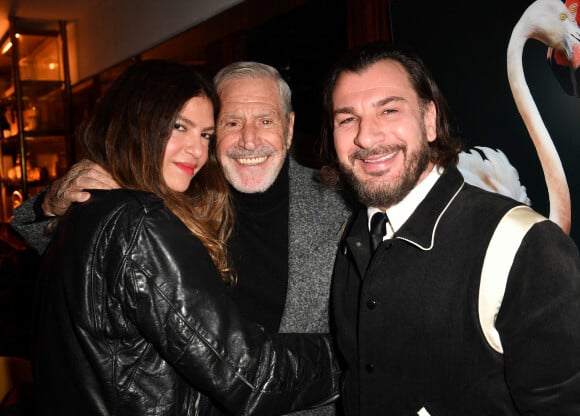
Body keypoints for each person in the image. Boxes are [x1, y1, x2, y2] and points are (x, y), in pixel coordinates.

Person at [11, 62, 350, 416]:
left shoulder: (341, 202)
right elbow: (85, 266)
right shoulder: (171, 199)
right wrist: (52, 204)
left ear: (290, 126)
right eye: (231, 123)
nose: (249, 139)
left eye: (265, 120)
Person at [318, 41, 580, 415]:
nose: (366, 137)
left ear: (429, 121)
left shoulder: (528, 247)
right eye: (347, 119)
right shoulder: (355, 235)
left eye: (389, 110)